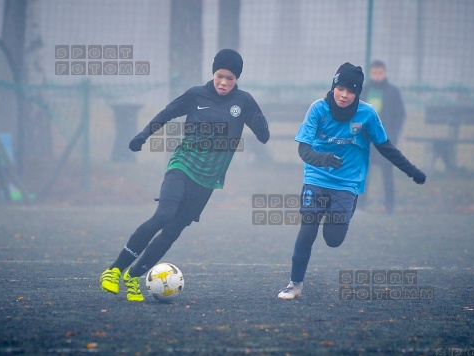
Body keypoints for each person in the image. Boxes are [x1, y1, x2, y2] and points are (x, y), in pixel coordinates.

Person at [100, 49, 270, 301]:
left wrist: (258, 124)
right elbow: (166, 114)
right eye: (220, 76)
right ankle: (114, 270)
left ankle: (133, 278)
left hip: (208, 180)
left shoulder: (244, 101)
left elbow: (263, 135)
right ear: (213, 73)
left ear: (237, 79)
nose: (224, 82)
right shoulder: (195, 95)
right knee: (164, 215)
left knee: (173, 232)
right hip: (183, 165)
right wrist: (142, 136)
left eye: (230, 78)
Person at [278, 62, 425, 300]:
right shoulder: (318, 109)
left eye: (351, 91)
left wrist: (412, 171)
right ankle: (294, 284)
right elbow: (303, 150)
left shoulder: (366, 114)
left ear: (358, 93)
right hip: (316, 178)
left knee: (333, 240)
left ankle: (347, 205)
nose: (344, 95)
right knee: (307, 230)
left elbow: (385, 147)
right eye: (340, 89)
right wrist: (322, 157)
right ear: (334, 86)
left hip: (347, 184)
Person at [359, 60, 406, 214]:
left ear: (385, 73)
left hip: (385, 139)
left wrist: (393, 134)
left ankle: (389, 205)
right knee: (363, 173)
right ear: (370, 73)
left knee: (387, 171)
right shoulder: (363, 91)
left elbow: (400, 114)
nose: (377, 76)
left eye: (380, 73)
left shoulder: (393, 92)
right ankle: (360, 204)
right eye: (374, 73)